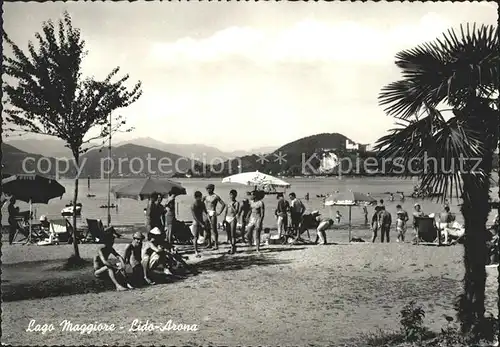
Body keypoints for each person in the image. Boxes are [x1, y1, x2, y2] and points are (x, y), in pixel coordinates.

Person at [203, 184, 226, 250]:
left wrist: (219, 212)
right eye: (207, 189)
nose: (208, 190)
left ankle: (216, 244)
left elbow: (223, 204)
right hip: (207, 212)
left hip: (213, 212)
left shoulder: (216, 196)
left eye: (209, 189)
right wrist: (202, 211)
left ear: (212, 189)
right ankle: (209, 243)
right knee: (207, 229)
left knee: (214, 229)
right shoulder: (205, 197)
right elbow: (201, 204)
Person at [190, 191, 207, 258]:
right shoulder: (193, 205)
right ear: (195, 197)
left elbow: (205, 212)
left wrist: (207, 220)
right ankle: (196, 251)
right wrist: (201, 223)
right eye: (198, 197)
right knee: (195, 237)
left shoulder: (202, 203)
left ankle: (207, 245)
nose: (199, 199)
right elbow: (194, 217)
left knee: (205, 234)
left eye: (200, 197)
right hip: (196, 222)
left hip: (202, 221)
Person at [224, 189, 240, 254]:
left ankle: (233, 248)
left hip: (233, 218)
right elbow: (226, 211)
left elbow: (236, 211)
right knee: (229, 234)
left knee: (233, 234)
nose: (231, 196)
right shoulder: (228, 202)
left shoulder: (236, 203)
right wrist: (224, 219)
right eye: (230, 195)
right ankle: (232, 246)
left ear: (235, 195)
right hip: (227, 218)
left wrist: (232, 206)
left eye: (233, 195)